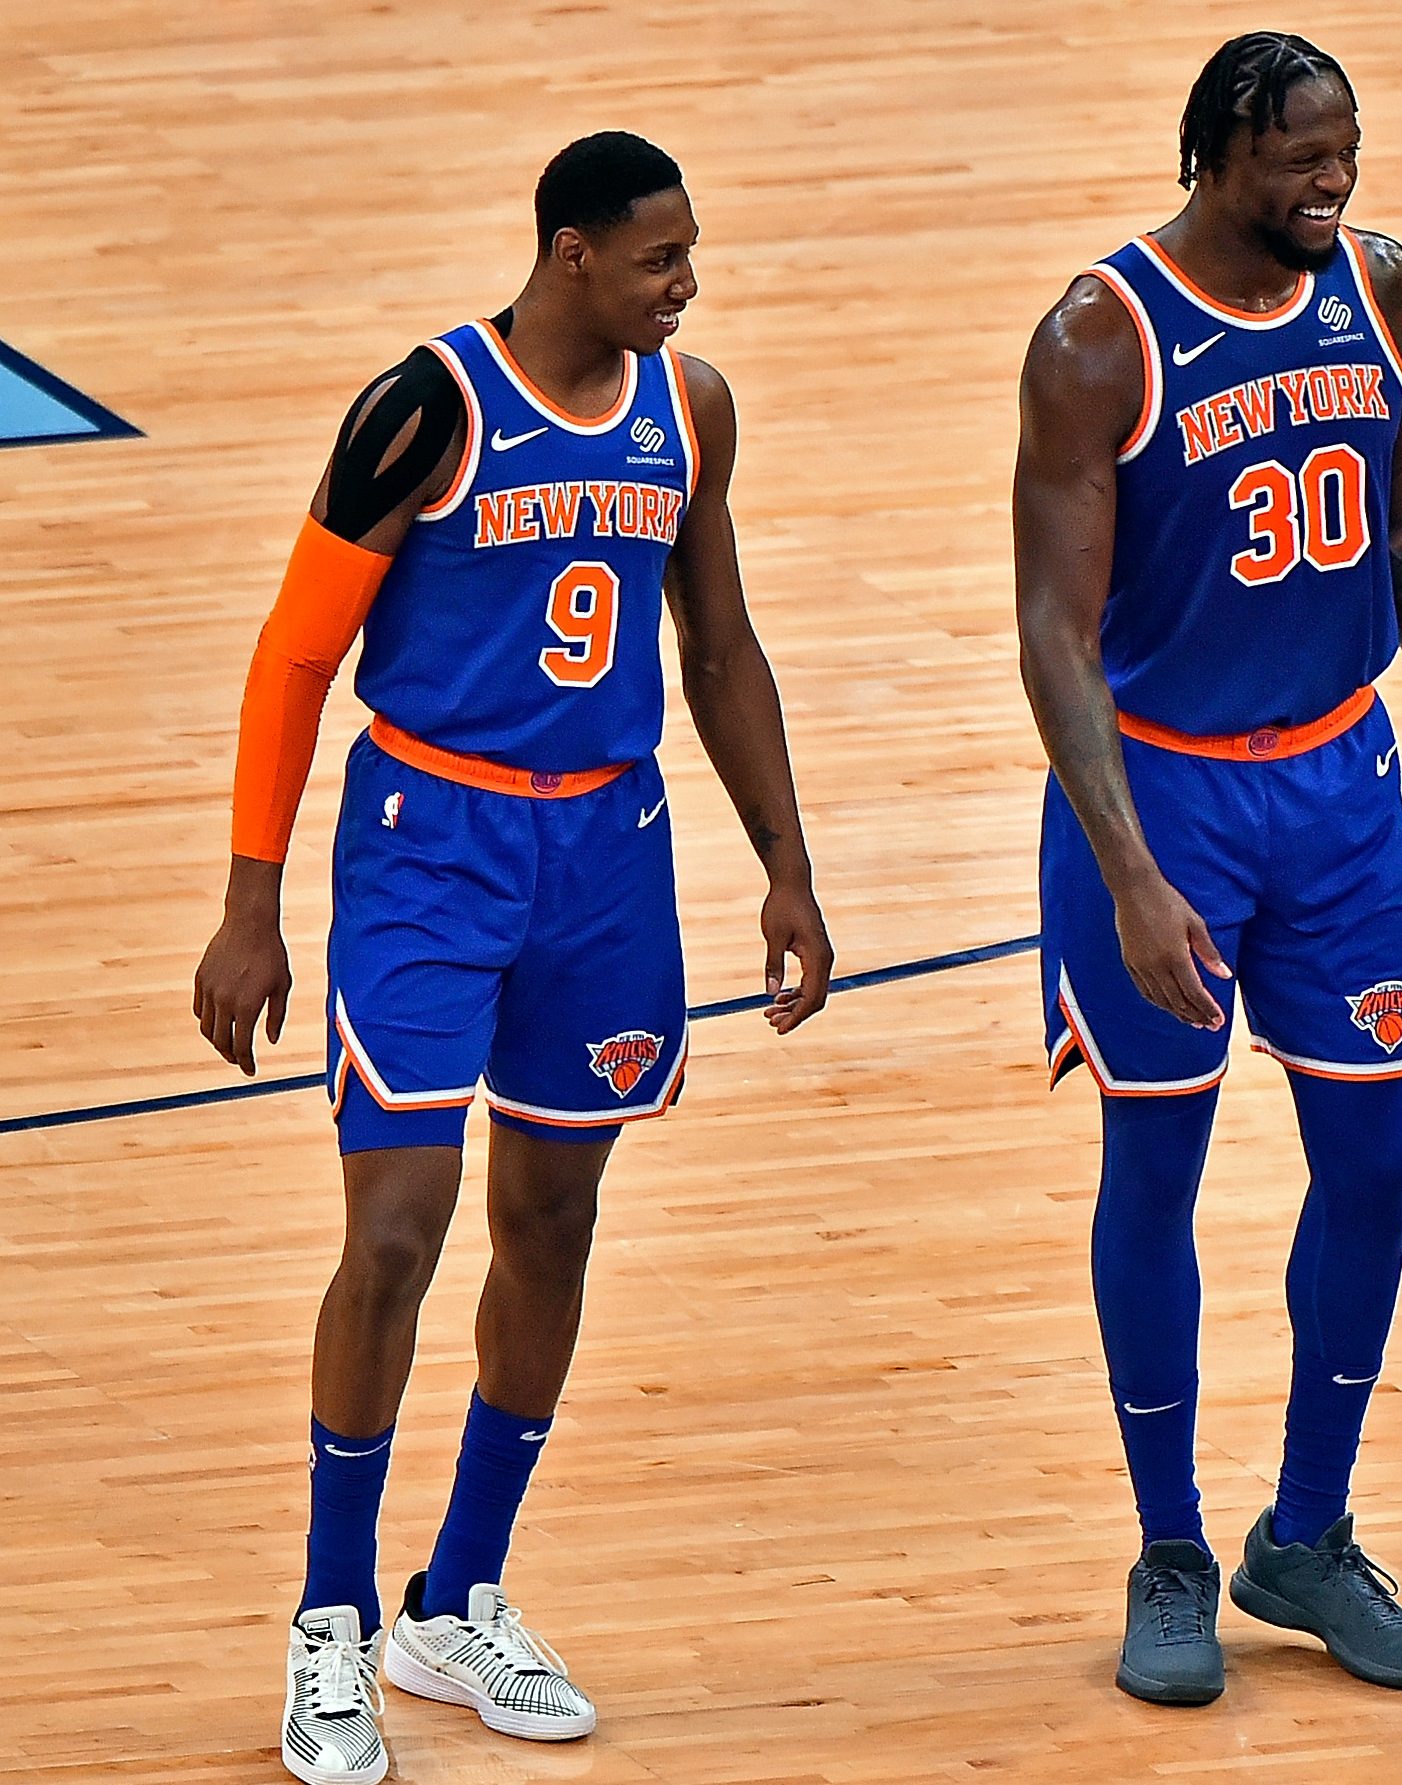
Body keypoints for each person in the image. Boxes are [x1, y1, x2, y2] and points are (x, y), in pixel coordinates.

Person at [190, 132, 833, 1784]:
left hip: (607, 854)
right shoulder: (428, 406)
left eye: (690, 253)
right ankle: (331, 1618)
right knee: (396, 1230)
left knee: (552, 1220)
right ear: (570, 253)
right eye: (659, 257)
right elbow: (295, 653)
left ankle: (454, 1595)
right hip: (433, 843)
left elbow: (720, 646)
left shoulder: (689, 410)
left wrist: (786, 865)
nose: (686, 283)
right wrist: (253, 900)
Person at [1014, 31, 1402, 1708]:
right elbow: (1053, 633)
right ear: (1215, 154)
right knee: (1157, 1163)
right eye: (1301, 157)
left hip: (1339, 790)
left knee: (1376, 1156)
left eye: (1346, 151)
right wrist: (1126, 871)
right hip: (1164, 794)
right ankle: (1170, 1547)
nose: (1334, 183)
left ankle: (1304, 1531)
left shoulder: (1377, 284)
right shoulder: (1100, 335)